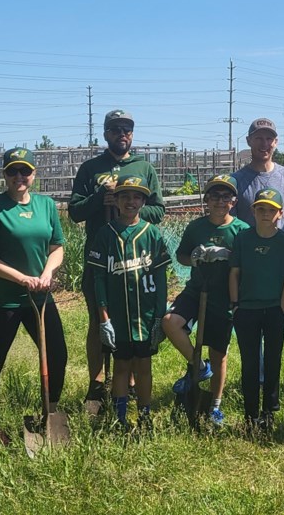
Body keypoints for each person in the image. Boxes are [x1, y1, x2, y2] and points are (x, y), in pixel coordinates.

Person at [68, 110, 166, 408]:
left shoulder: (144, 167)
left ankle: (131, 382)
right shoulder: (90, 168)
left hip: (137, 260)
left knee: (133, 319)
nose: (122, 133)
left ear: (132, 134)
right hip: (101, 260)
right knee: (99, 320)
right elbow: (74, 212)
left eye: (127, 129)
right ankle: (97, 382)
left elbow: (158, 211)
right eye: (115, 129)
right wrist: (101, 198)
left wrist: (127, 207)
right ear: (105, 134)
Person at [0, 147, 66, 446]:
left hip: (40, 296)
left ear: (33, 174)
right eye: (12, 171)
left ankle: (49, 416)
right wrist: (22, 278)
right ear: (4, 175)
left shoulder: (46, 205)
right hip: (5, 299)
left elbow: (57, 247)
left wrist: (47, 273)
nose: (19, 177)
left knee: (58, 355)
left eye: (24, 171)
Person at [161, 174, 250, 427]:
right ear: (206, 200)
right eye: (214, 196)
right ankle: (198, 367)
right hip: (196, 290)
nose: (220, 202)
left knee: (219, 354)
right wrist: (196, 257)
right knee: (169, 322)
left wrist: (229, 256)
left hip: (224, 297)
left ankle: (214, 406)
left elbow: (247, 265)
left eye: (226, 197)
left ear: (233, 201)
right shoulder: (196, 227)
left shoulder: (241, 230)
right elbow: (181, 256)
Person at [86, 175, 171, 431]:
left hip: (145, 317)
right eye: (125, 196)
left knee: (144, 367)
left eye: (136, 197)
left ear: (144, 201)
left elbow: (161, 278)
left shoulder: (151, 233)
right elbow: (98, 279)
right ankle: (120, 418)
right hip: (119, 317)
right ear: (117, 200)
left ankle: (145, 416)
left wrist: (159, 316)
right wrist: (104, 318)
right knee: (121, 366)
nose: (131, 201)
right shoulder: (105, 234)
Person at [230, 117, 284, 392]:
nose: (264, 144)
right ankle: (259, 382)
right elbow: (233, 222)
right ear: (249, 141)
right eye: (258, 138)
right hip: (253, 269)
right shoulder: (238, 180)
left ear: (276, 142)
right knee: (255, 328)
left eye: (269, 138)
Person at [229, 188, 284, 432]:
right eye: (261, 209)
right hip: (246, 310)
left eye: (271, 210)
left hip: (273, 310)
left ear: (280, 214)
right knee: (249, 363)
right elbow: (234, 273)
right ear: (253, 211)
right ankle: (250, 413)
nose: (265, 214)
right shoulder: (243, 239)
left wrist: (281, 307)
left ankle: (269, 410)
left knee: (273, 361)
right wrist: (235, 305)